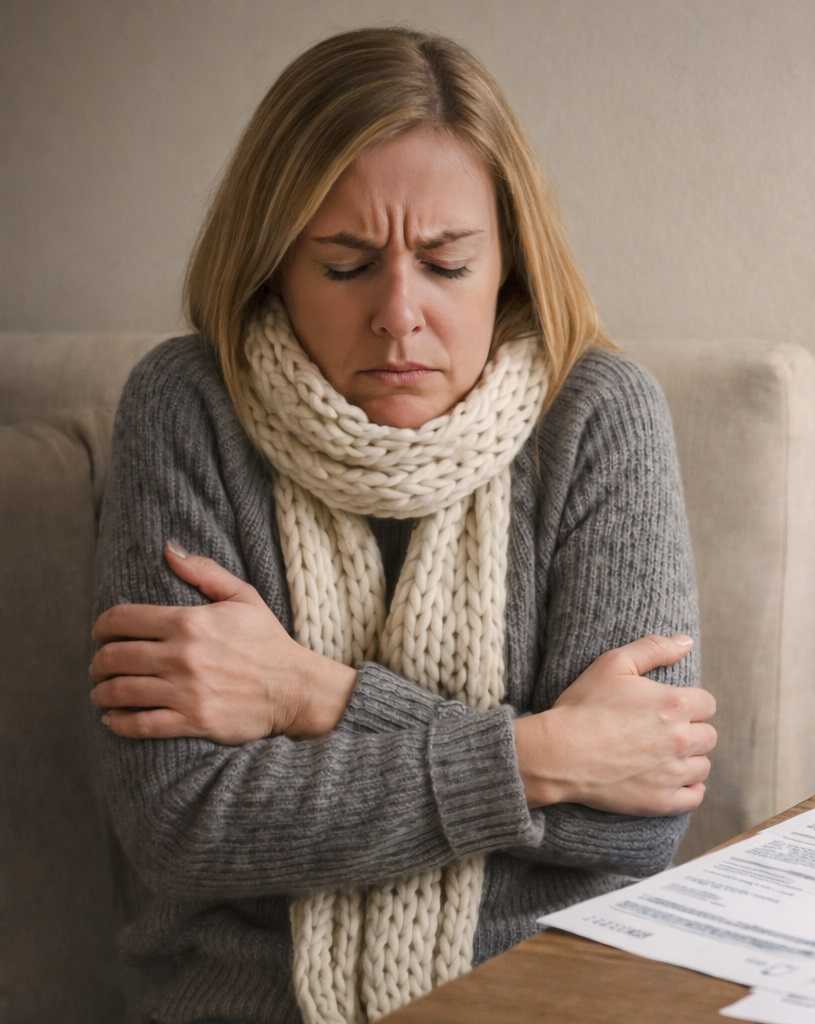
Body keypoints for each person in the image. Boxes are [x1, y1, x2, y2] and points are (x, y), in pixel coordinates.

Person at [86, 25, 716, 1024]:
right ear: (272, 265)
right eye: (344, 265)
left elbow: (634, 822)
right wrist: (542, 754)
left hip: (545, 999)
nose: (398, 313)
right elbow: (181, 821)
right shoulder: (189, 409)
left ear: (507, 264)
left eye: (445, 263)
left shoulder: (597, 417)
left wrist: (309, 693)